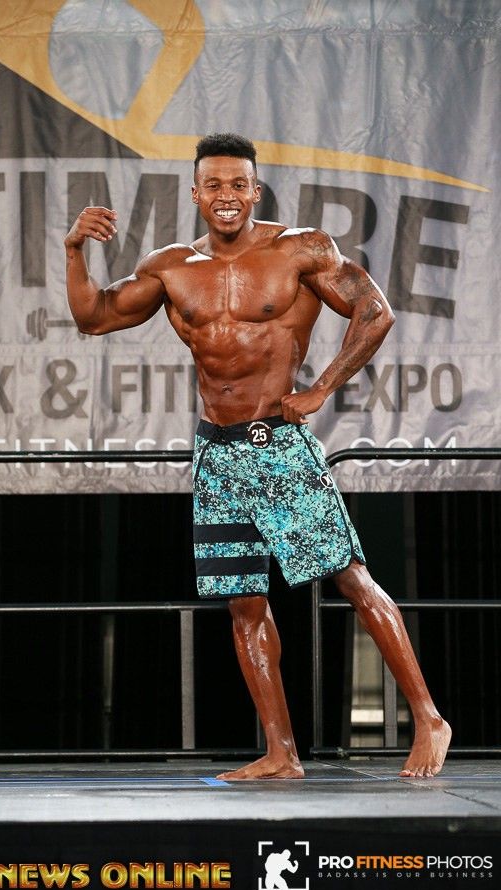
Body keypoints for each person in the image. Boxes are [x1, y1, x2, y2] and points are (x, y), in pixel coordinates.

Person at [65, 133, 451, 780]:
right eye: (214, 185)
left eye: (239, 184)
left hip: (278, 445)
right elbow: (94, 317)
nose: (227, 196)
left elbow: (374, 311)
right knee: (243, 602)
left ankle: (430, 718)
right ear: (195, 193)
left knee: (351, 579)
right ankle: (280, 753)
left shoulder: (299, 249)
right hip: (216, 453)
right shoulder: (170, 265)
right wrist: (75, 250)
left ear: (255, 191)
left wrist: (322, 387)